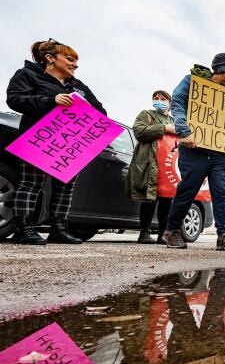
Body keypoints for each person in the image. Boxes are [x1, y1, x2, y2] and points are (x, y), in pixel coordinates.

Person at [6, 39, 106, 245]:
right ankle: (23, 228)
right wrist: (51, 100)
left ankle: (59, 228)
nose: (75, 64)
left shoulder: (77, 85)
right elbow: (14, 99)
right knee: (31, 183)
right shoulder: (27, 75)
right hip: (39, 138)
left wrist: (83, 105)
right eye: (69, 59)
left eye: (76, 60)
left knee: (66, 185)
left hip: (71, 142)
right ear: (50, 59)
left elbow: (101, 112)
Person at [163, 53, 225, 251]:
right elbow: (178, 103)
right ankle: (172, 230)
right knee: (188, 188)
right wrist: (185, 131)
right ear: (224, 68)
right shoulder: (192, 81)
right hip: (194, 150)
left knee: (221, 193)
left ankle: (224, 236)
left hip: (221, 154)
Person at [127, 90, 175, 244]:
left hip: (168, 163)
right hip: (150, 161)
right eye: (155, 98)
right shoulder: (146, 114)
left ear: (170, 102)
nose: (158, 100)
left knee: (166, 199)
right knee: (149, 198)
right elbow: (139, 132)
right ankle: (144, 232)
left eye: (162, 98)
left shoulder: (175, 120)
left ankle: (163, 234)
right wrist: (163, 128)